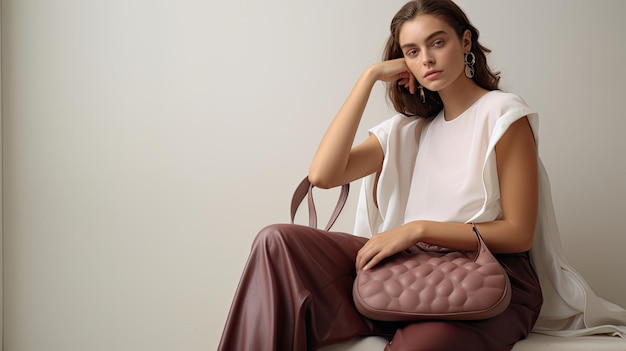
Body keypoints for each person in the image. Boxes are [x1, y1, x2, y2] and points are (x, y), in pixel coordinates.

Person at [218, 0, 626, 350]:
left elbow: (518, 233)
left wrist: (417, 230)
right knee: (276, 240)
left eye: (437, 42)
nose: (426, 59)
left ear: (465, 42)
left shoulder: (503, 115)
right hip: (406, 270)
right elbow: (323, 175)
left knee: (425, 344)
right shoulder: (405, 131)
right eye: (411, 51)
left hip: (491, 277)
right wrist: (369, 78)